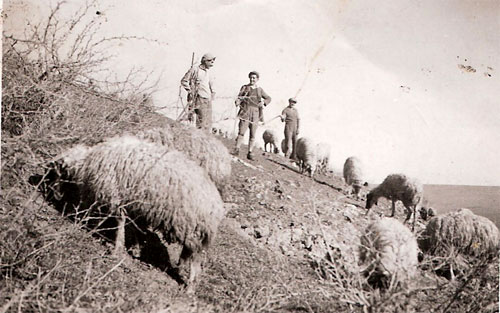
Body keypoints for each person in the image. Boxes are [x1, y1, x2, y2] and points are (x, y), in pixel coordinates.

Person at [232, 71, 271, 160]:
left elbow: (269, 98)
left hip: (255, 114)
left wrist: (264, 102)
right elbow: (239, 97)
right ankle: (237, 149)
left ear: (257, 79)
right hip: (245, 112)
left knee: (252, 134)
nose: (252, 79)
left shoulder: (260, 89)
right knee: (241, 132)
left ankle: (250, 152)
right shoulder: (245, 87)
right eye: (251, 77)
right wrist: (237, 101)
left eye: (254, 78)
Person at [180, 53, 216, 131]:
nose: (212, 63)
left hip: (208, 99)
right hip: (198, 98)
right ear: (205, 61)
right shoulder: (195, 69)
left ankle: (204, 141)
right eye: (210, 61)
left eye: (213, 61)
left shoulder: (209, 72)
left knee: (208, 123)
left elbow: (211, 85)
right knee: (201, 122)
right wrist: (190, 91)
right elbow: (184, 81)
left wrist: (213, 93)